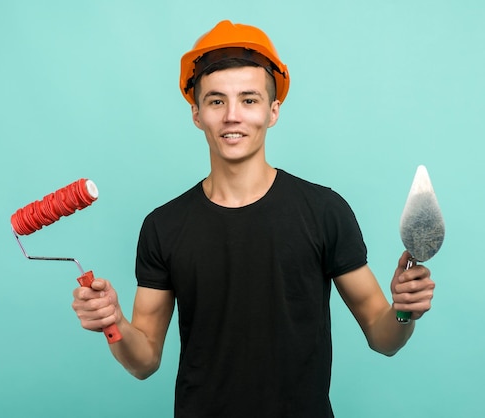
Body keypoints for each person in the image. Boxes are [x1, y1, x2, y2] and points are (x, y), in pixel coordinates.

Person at [71, 20, 435, 417]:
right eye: (215, 101)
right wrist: (114, 323)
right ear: (196, 114)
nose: (232, 116)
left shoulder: (324, 211)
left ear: (272, 111)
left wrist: (403, 309)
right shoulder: (163, 226)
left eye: (249, 100)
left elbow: (383, 336)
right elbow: (143, 361)